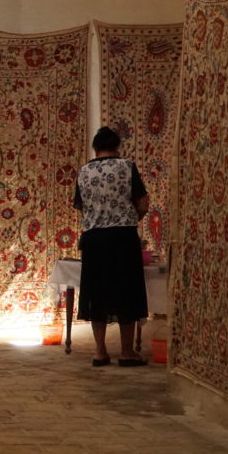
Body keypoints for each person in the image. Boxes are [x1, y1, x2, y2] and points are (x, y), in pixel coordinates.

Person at [72, 126, 149, 367]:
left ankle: (100, 351)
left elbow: (81, 207)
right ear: (117, 146)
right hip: (123, 238)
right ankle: (127, 352)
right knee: (128, 291)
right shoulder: (126, 167)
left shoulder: (84, 172)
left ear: (96, 147)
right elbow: (143, 203)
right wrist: (130, 219)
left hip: (94, 240)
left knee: (97, 293)